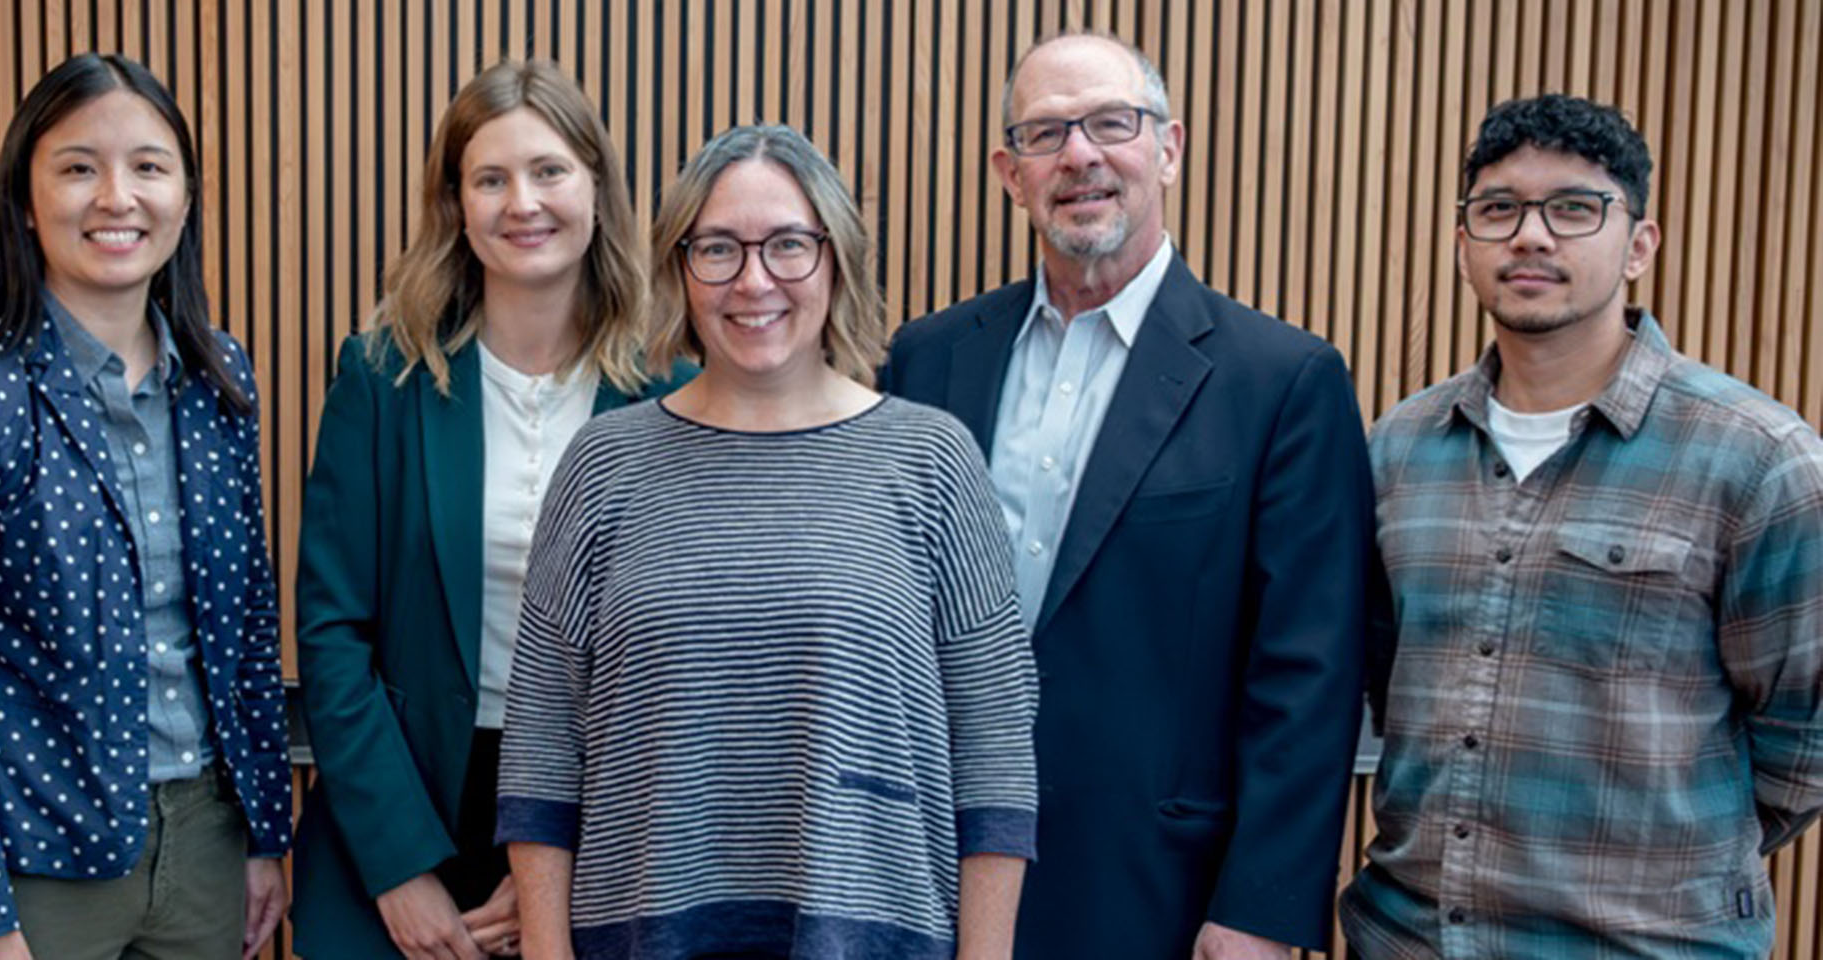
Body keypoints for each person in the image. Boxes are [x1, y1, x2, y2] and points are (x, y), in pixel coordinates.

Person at [880, 32, 1376, 960]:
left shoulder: (1280, 380)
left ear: (1170, 149)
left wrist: (1263, 910)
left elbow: (1311, 670)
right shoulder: (929, 359)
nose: (1080, 155)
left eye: (1113, 123)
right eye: (1046, 134)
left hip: (1157, 884)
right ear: (1008, 172)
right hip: (927, 861)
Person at [494, 124, 1040, 960]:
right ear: (681, 267)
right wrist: (544, 948)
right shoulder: (605, 465)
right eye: (717, 249)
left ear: (837, 258)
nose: (753, 281)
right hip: (643, 936)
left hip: (870, 938)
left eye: (789, 245)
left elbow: (994, 736)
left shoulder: (931, 460)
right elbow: (541, 734)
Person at [1340, 93, 1823, 958]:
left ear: (1639, 246)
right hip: (1408, 938)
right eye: (1499, 210)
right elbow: (1377, 684)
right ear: (1463, 245)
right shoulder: (1399, 452)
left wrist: (1656, 861)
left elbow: (1806, 742)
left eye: (1574, 208)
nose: (1531, 236)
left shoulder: (1758, 460)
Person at [291, 60, 691, 959]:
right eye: (490, 178)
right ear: (456, 206)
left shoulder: (678, 395)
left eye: (549, 171)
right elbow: (331, 631)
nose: (524, 203)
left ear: (596, 188)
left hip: (603, 819)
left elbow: (680, 668)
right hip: (403, 806)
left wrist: (567, 861)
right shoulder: (382, 376)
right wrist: (397, 867)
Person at [0, 53, 291, 960]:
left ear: (186, 199)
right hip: (28, 860)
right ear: (25, 199)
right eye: (79, 167)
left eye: (149, 167)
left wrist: (265, 832)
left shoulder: (220, 377)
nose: (117, 195)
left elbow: (241, 628)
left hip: (205, 844)